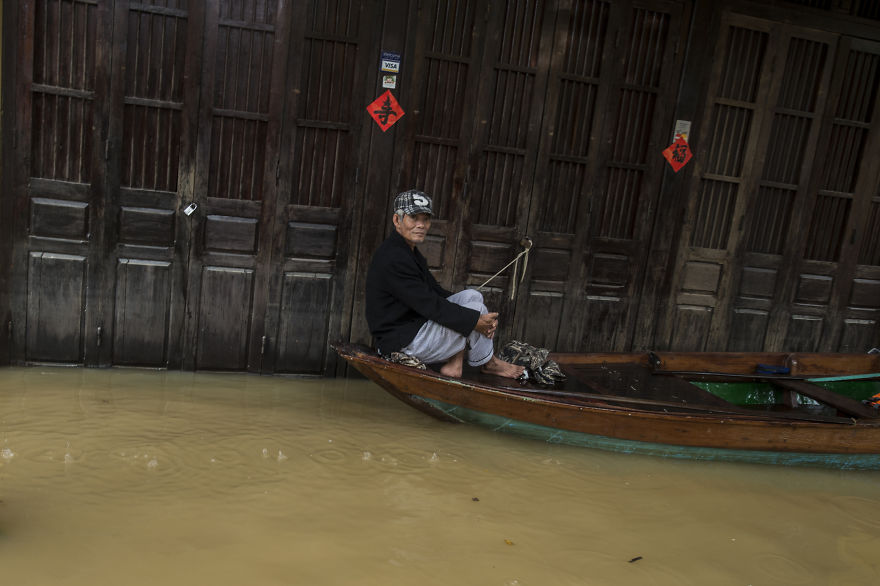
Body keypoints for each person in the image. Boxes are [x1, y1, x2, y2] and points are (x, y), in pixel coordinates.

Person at [365, 189, 524, 379]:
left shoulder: (408, 252)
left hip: (414, 327)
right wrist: (475, 320)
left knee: (472, 297)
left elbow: (436, 293)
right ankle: (488, 363)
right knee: (475, 310)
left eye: (425, 219)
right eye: (414, 218)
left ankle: (456, 364)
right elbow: (429, 304)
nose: (421, 225)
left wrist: (478, 320)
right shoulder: (394, 258)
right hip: (401, 341)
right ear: (397, 220)